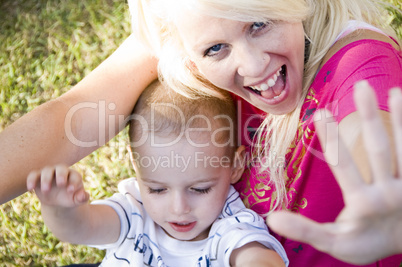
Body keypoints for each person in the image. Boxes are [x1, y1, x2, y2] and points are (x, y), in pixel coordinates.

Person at [0, 0, 401, 265]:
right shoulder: (191, 21)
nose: (252, 64)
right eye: (215, 49)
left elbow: (371, 125)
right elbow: (70, 114)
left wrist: (384, 189)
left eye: (260, 24)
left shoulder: (359, 60)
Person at [26, 81, 289, 267]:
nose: (179, 208)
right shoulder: (135, 210)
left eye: (200, 189)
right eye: (157, 189)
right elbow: (81, 229)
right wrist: (60, 209)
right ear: (135, 164)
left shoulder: (230, 225)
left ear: (235, 165)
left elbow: (255, 256)